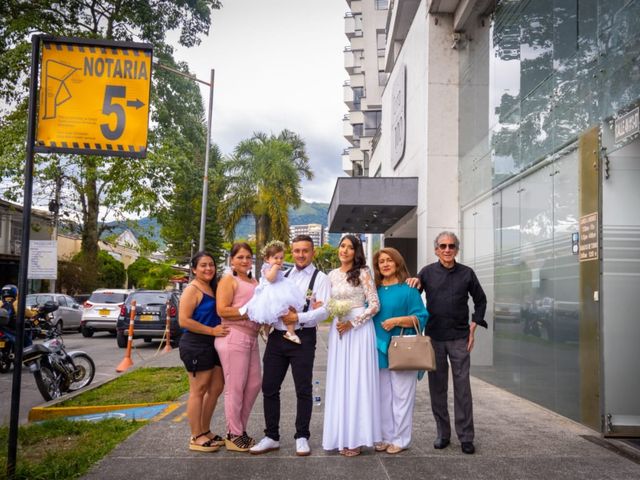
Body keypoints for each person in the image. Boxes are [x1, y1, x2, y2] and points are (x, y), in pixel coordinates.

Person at [250, 234, 330, 457]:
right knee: (269, 387)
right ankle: (271, 436)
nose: (301, 255)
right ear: (291, 253)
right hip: (277, 338)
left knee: (303, 389)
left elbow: (325, 310)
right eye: (296, 251)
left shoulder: (320, 278)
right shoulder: (282, 274)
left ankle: (302, 436)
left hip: (303, 338)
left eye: (305, 250)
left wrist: (299, 319)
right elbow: (270, 300)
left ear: (313, 252)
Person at [409, 231, 487, 455]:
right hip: (434, 338)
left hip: (460, 338)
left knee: (463, 389)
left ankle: (466, 437)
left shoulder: (467, 274)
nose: (447, 249)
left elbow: (480, 300)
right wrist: (413, 284)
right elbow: (413, 297)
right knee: (437, 389)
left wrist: (474, 325)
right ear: (436, 250)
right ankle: (443, 434)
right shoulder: (426, 273)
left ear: (456, 249)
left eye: (451, 246)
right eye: (442, 246)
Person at [322, 234, 381, 456]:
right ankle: (340, 435)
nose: (344, 250)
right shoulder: (331, 275)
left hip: (357, 330)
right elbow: (326, 304)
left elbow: (374, 304)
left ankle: (357, 438)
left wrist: (353, 323)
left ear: (356, 252)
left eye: (350, 247)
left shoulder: (364, 273)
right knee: (341, 381)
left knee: (357, 381)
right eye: (342, 246)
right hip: (339, 330)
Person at [372, 247, 429, 454]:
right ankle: (386, 437)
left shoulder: (408, 290)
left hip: (402, 349)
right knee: (383, 397)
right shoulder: (374, 291)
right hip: (378, 349)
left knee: (403, 397)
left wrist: (397, 320)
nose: (385, 264)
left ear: (397, 263)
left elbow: (421, 316)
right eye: (381, 261)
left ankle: (401, 439)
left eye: (389, 260)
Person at [178, 252, 230, 452]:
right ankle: (195, 435)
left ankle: (205, 430)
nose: (208, 268)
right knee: (198, 390)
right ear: (194, 269)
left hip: (214, 343)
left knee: (216, 387)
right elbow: (184, 321)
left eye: (211, 265)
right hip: (196, 344)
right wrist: (211, 331)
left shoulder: (212, 287)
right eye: (203, 265)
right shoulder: (192, 289)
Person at [215, 242, 260, 452]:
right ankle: (234, 434)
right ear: (232, 260)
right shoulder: (228, 280)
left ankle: (239, 430)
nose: (244, 261)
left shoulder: (255, 281)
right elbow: (222, 310)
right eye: (240, 257)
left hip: (252, 338)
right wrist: (248, 311)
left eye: (248, 257)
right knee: (235, 388)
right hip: (234, 336)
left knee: (253, 384)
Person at [241, 240, 305, 344]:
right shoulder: (266, 268)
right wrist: (275, 268)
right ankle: (271, 330)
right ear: (267, 259)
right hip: (271, 292)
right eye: (275, 258)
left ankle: (289, 331)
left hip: (280, 289)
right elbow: (270, 278)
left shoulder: (279, 268)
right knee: (276, 312)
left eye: (281, 258)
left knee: (288, 310)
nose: (279, 260)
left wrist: (277, 267)